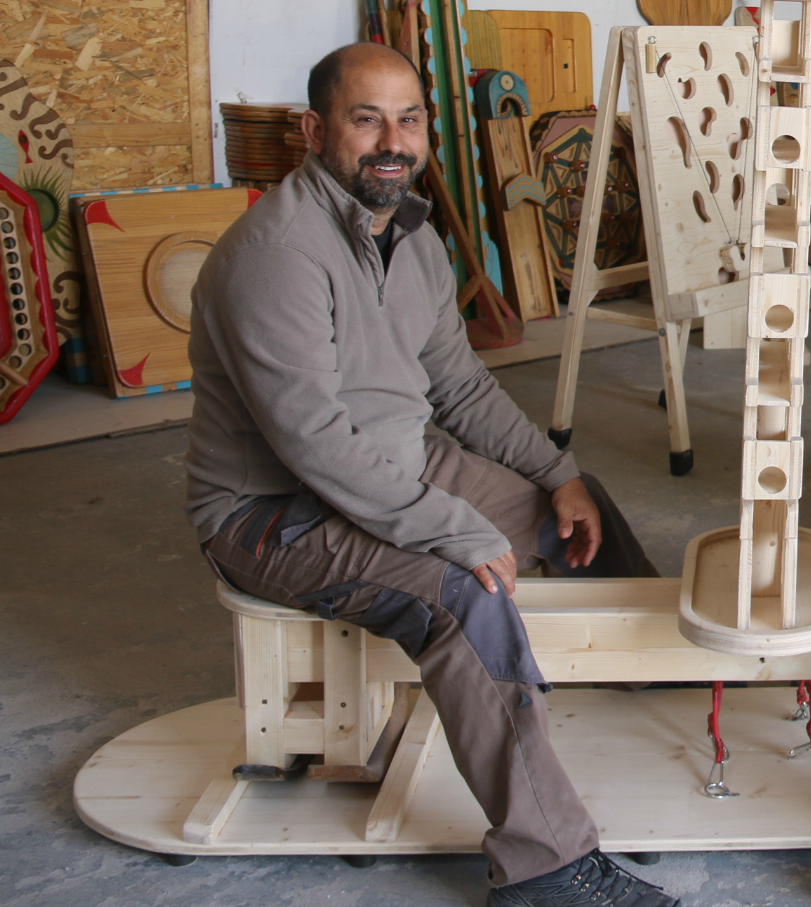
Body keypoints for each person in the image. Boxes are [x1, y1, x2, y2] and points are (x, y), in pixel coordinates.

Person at [185, 43, 677, 907]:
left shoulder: (410, 236)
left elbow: (460, 387)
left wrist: (557, 471)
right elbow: (315, 444)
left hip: (400, 459)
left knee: (573, 510)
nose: (393, 142)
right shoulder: (274, 254)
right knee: (464, 593)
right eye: (366, 119)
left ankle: (657, 679)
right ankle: (548, 869)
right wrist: (456, 529)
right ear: (314, 131)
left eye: (408, 119)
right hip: (275, 512)